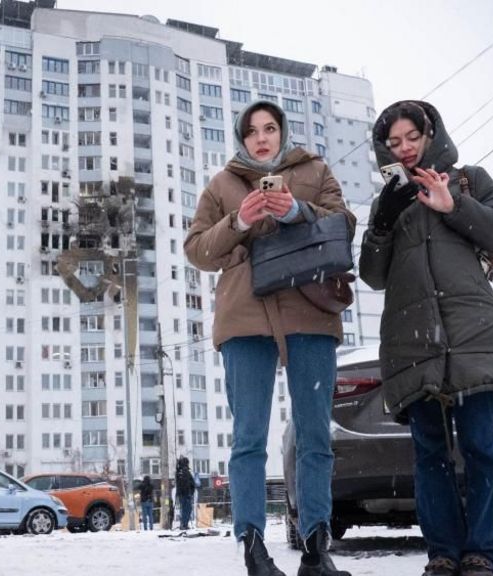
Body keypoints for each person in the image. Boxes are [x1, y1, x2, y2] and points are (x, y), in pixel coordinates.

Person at [185, 99, 354, 576]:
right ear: (242, 139)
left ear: (282, 132)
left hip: (310, 310)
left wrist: (297, 210)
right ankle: (254, 550)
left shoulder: (316, 170)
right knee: (249, 438)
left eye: (270, 128)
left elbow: (344, 224)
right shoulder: (222, 184)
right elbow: (197, 250)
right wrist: (239, 221)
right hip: (245, 318)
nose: (261, 138)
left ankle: (316, 549)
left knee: (315, 435)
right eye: (252, 131)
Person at [359, 100, 493, 576]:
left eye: (413, 137)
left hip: (475, 335)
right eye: (394, 142)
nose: (405, 148)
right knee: (429, 454)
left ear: (431, 134)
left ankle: (483, 553)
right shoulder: (386, 200)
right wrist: (383, 224)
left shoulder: (470, 180)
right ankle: (444, 554)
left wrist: (455, 207)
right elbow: (373, 276)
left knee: (480, 448)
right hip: (412, 343)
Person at [175, 456, 196, 530]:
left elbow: (178, 484)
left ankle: (183, 524)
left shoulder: (178, 472)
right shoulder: (186, 471)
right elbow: (191, 483)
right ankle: (184, 524)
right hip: (186, 494)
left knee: (183, 509)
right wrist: (191, 493)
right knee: (187, 509)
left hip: (181, 494)